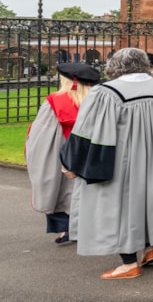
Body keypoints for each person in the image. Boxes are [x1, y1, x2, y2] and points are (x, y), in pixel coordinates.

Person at [60, 47, 153, 280]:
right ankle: (148, 247)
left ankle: (129, 264)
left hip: (119, 161)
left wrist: (72, 163)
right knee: (146, 202)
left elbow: (87, 131)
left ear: (115, 65)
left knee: (120, 209)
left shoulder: (105, 91)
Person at [25, 61, 101, 244]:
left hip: (65, 155)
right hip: (95, 153)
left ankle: (66, 228)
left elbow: (42, 136)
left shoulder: (55, 101)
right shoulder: (100, 100)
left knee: (61, 190)